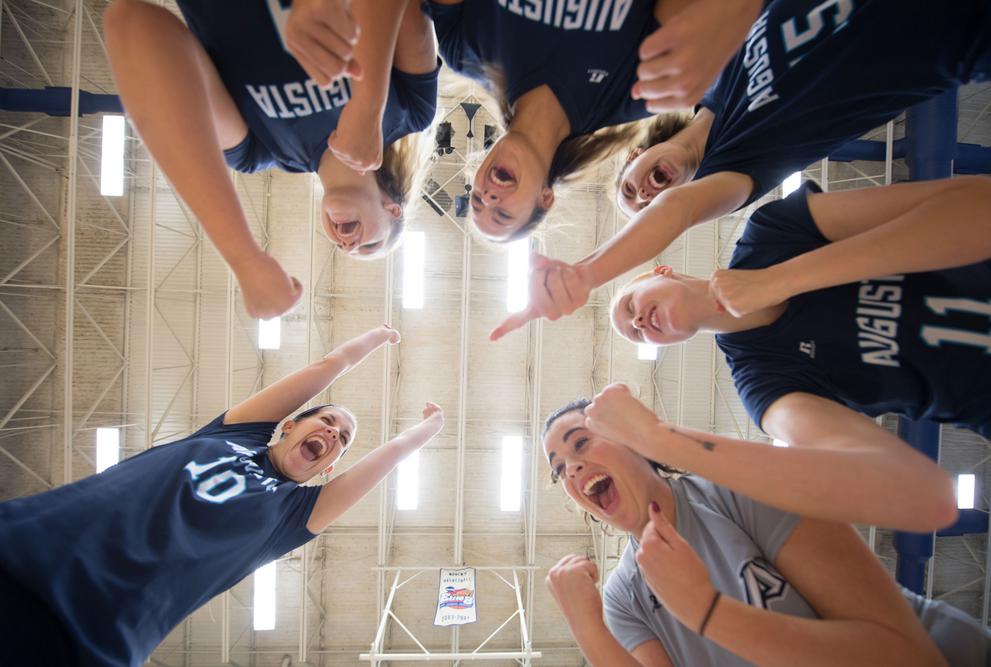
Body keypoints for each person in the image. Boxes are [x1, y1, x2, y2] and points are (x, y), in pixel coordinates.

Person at [489, 0, 991, 338]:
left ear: (634, 156)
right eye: (644, 205)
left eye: (630, 188)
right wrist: (586, 274)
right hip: (965, 28)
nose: (645, 195)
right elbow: (677, 209)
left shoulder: (708, 77)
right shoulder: (736, 171)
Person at [0, 325, 444, 667]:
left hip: (89, 639)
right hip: (27, 551)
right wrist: (377, 336)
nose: (332, 432)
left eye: (342, 439)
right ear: (288, 425)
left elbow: (385, 461)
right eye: (327, 419)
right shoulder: (237, 433)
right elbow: (322, 369)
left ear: (328, 467)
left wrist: (429, 429)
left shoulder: (291, 516)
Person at [594, 176, 991, 530]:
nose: (639, 324)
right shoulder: (764, 386)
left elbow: (985, 206)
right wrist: (659, 441)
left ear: (659, 272)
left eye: (630, 306)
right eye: (637, 334)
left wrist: (778, 280)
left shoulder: (775, 234)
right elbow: (898, 481)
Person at [543, 398, 991, 667]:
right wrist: (587, 626)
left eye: (581, 442)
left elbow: (903, 656)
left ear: (634, 441)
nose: (573, 468)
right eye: (559, 470)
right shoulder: (625, 596)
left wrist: (706, 611)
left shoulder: (735, 488)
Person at [104, 0, 439, 318]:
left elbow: (132, 24)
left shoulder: (257, 150)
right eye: (370, 246)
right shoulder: (411, 111)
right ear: (394, 210)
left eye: (343, 250)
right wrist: (368, 105)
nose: (348, 246)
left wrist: (244, 258)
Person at [423, 0, 763, 241]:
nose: (488, 197)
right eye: (502, 214)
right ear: (545, 198)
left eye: (478, 200)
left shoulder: (462, 49)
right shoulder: (635, 92)